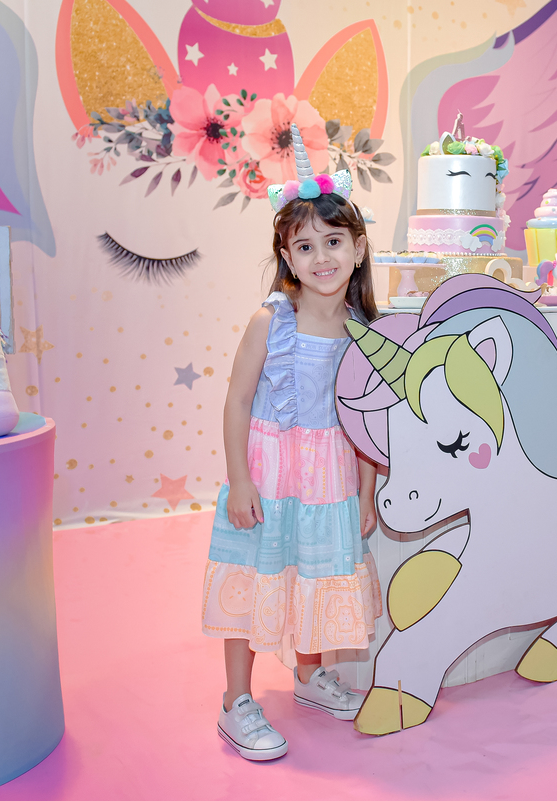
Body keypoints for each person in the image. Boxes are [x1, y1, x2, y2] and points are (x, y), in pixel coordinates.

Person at [202, 127, 382, 761]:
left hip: (329, 481)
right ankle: (235, 701)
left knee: (314, 576)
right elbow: (236, 402)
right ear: (287, 255)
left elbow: (367, 424)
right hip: (271, 479)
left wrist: (366, 493)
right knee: (254, 581)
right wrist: (240, 481)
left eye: (333, 242)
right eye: (304, 246)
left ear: (358, 248)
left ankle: (310, 676)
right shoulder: (270, 321)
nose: (321, 257)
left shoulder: (365, 332)